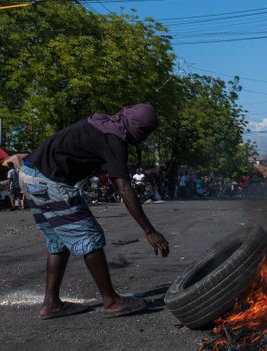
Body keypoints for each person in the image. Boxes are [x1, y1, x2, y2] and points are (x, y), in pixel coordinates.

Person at [21, 103, 169, 320]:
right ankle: (111, 301)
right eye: (145, 131)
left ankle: (51, 304)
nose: (144, 138)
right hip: (49, 181)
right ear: (136, 125)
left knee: (59, 242)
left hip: (29, 174)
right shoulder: (114, 137)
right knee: (89, 236)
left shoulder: (102, 125)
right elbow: (124, 187)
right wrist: (149, 230)